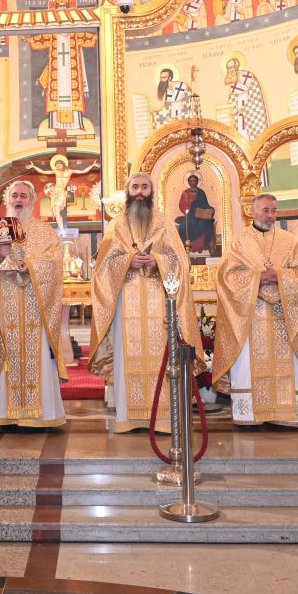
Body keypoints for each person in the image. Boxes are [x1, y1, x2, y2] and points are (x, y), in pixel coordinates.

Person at [88, 174, 203, 433]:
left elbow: (181, 261)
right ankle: (127, 419)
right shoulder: (116, 225)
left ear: (151, 192)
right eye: (135, 187)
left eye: (144, 187)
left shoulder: (164, 222)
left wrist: (158, 260)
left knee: (162, 357)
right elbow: (102, 265)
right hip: (125, 303)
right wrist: (127, 261)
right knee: (127, 358)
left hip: (160, 303)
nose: (140, 191)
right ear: (128, 191)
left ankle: (163, 419)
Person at [212, 195, 298, 428]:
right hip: (251, 317)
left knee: (282, 368)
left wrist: (281, 276)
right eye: (266, 210)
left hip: (282, 317)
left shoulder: (290, 241)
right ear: (253, 211)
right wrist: (256, 278)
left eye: (274, 211)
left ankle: (284, 415)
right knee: (249, 366)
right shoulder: (239, 242)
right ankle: (249, 416)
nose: (271, 215)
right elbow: (226, 276)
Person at [0, 180, 66, 430]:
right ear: (7, 201)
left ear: (32, 201)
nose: (18, 200)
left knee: (39, 357)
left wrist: (31, 266)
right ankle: (5, 416)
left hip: (36, 306)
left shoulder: (45, 232)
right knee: (6, 356)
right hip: (5, 307)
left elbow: (55, 263)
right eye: (14, 195)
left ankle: (42, 417)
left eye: (24, 195)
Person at [175, 173, 216, 253]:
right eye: (191, 181)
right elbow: (182, 205)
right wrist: (189, 204)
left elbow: (205, 204)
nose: (193, 182)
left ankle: (201, 246)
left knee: (207, 223)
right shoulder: (185, 192)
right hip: (190, 215)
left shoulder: (201, 192)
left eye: (194, 181)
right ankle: (187, 247)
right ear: (188, 182)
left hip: (200, 215)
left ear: (197, 182)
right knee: (183, 227)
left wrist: (211, 209)